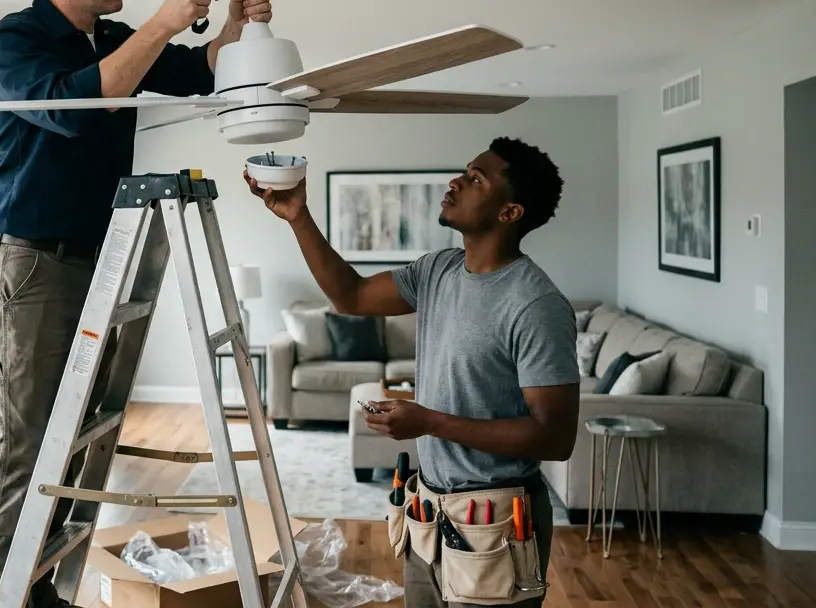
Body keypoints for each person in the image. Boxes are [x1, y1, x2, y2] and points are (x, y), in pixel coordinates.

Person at [0, 0, 272, 608]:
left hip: (98, 260)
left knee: (74, 436)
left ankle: (40, 587)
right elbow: (74, 107)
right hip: (31, 266)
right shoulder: (14, 40)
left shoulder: (110, 38)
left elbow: (197, 72)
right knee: (22, 446)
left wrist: (230, 31)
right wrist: (164, 21)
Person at [245, 137, 579, 607]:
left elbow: (555, 438)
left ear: (509, 212)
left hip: (497, 523)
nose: (456, 182)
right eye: (465, 170)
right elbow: (351, 297)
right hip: (428, 510)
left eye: (476, 179)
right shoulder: (438, 270)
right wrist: (298, 216)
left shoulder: (536, 305)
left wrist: (429, 421)